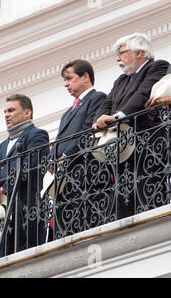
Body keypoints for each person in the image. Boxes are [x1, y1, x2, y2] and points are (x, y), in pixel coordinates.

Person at [92, 33, 170, 219]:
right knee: (123, 197)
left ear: (140, 52)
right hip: (122, 146)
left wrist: (117, 117)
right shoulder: (120, 80)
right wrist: (98, 121)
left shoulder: (156, 66)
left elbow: (143, 95)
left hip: (146, 143)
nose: (118, 59)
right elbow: (106, 103)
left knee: (147, 189)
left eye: (122, 53)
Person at [0, 94, 49, 262]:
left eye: (11, 110)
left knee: (23, 262)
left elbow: (29, 166)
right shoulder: (1, 147)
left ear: (27, 113)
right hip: (1, 215)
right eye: (5, 111)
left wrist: (3, 188)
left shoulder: (37, 135)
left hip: (26, 212)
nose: (6, 114)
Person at [51, 60, 107, 238]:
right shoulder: (66, 113)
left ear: (85, 76)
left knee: (83, 217)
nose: (65, 84)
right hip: (65, 175)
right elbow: (59, 139)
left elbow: (87, 130)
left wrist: (67, 155)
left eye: (69, 78)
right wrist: (52, 160)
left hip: (84, 169)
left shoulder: (96, 98)